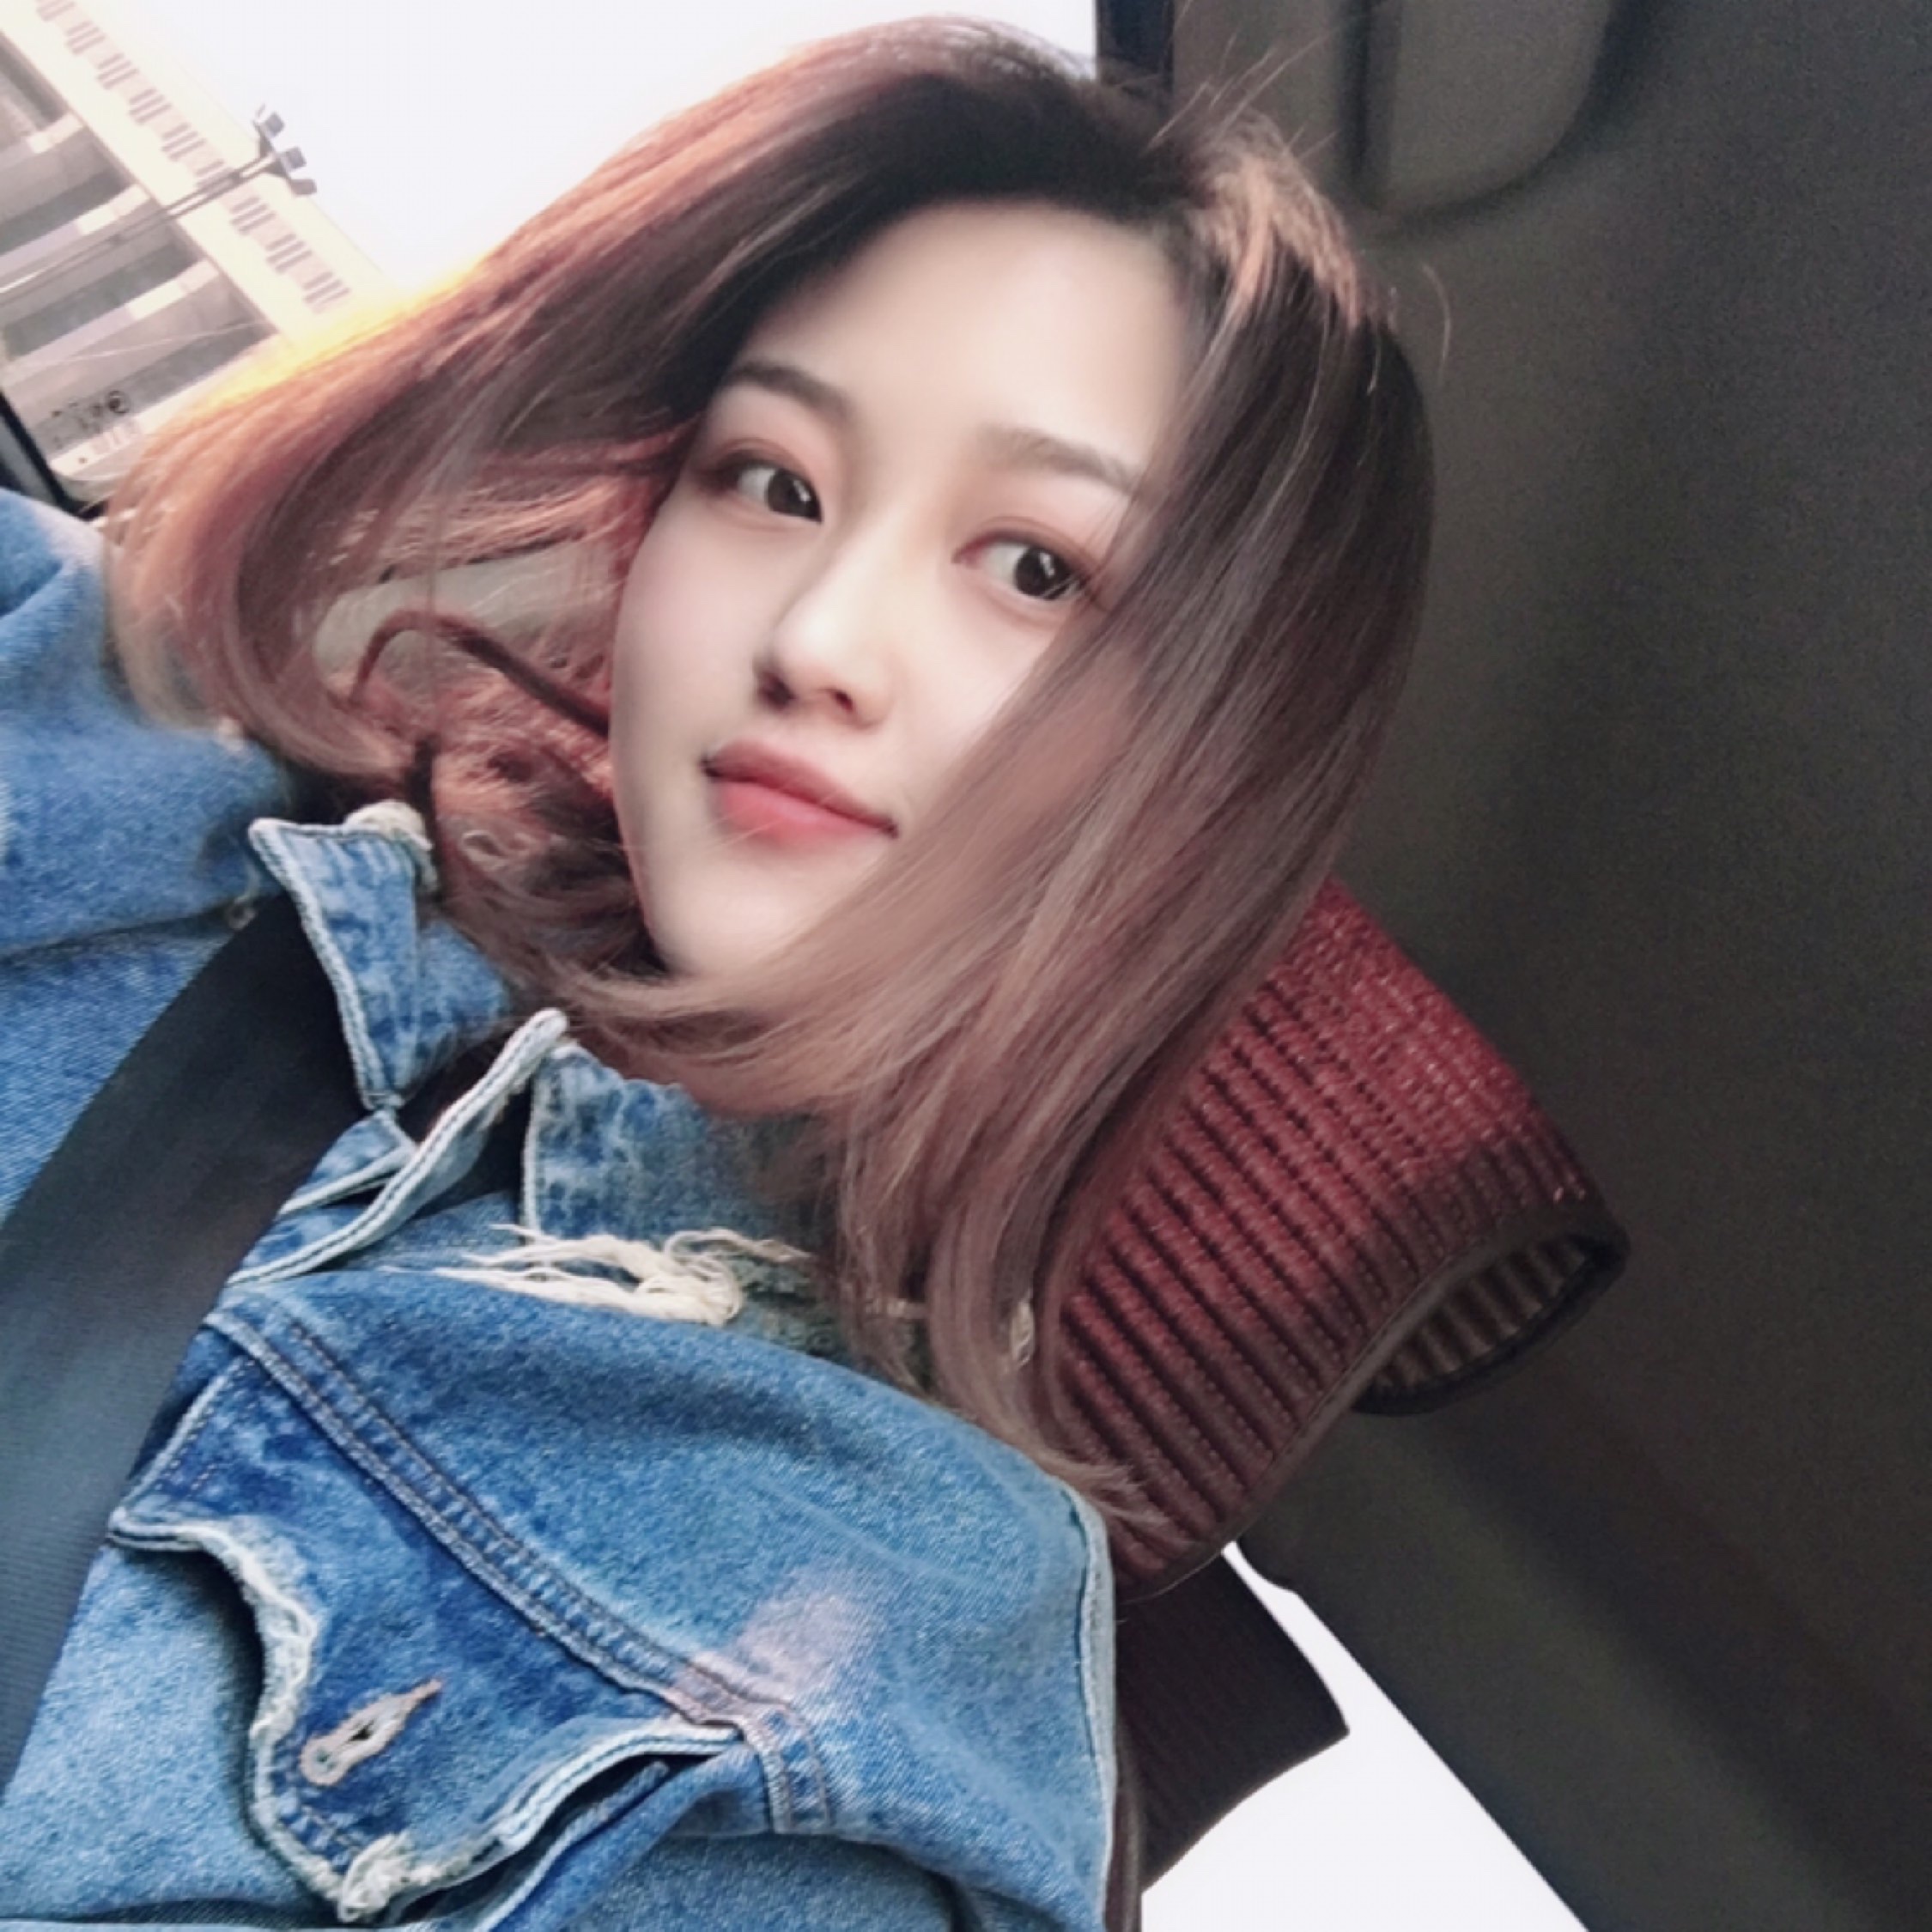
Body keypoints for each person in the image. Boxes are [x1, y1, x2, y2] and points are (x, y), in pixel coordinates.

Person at [0, 19, 1430, 1929]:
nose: (822, 633)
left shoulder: (868, 1723)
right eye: (771, 478)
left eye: (1035, 569)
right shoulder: (137, 758)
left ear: (1207, 767)